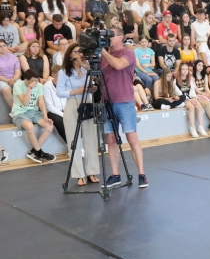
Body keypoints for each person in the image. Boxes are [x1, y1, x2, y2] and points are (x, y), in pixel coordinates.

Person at [99, 27, 147, 187]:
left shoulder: (128, 53)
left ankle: (142, 174)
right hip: (107, 102)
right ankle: (115, 174)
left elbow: (118, 65)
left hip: (125, 101)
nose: (108, 37)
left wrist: (103, 52)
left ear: (121, 37)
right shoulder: (104, 56)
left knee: (132, 138)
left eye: (111, 35)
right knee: (111, 139)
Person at [57, 43, 106, 183]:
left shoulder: (86, 69)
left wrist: (92, 88)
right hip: (72, 103)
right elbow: (59, 92)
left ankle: (92, 171)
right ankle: (79, 174)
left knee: (90, 139)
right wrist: (75, 91)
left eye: (81, 52)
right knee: (74, 140)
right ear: (70, 55)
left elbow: (97, 82)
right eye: (76, 51)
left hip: (87, 101)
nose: (80, 54)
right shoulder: (64, 72)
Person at [11, 69, 57, 163]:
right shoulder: (18, 85)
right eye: (33, 81)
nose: (35, 83)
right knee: (29, 126)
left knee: (49, 126)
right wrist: (29, 88)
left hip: (34, 112)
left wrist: (45, 116)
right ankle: (39, 152)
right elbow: (25, 103)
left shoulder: (39, 86)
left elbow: (41, 103)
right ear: (26, 79)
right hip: (19, 112)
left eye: (37, 80)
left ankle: (34, 152)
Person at [175, 63, 207, 137]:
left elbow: (192, 91)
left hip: (190, 98)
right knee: (191, 107)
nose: (185, 71)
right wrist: (188, 100)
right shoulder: (176, 81)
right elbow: (178, 93)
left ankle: (201, 127)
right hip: (182, 99)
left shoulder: (190, 80)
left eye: (186, 69)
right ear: (180, 70)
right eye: (183, 69)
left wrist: (193, 98)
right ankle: (192, 128)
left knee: (199, 107)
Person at [43, 64, 66, 142]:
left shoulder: (66, 84)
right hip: (53, 112)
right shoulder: (47, 86)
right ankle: (71, 144)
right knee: (60, 121)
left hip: (65, 109)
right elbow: (50, 107)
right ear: (53, 75)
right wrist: (63, 115)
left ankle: (80, 142)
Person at [0, 37, 21, 109]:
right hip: (2, 79)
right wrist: (7, 80)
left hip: (14, 78)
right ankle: (15, 110)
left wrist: (14, 79)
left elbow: (17, 71)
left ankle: (24, 108)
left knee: (21, 86)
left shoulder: (14, 57)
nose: (2, 48)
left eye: (4, 46)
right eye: (0, 46)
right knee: (6, 89)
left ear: (7, 46)